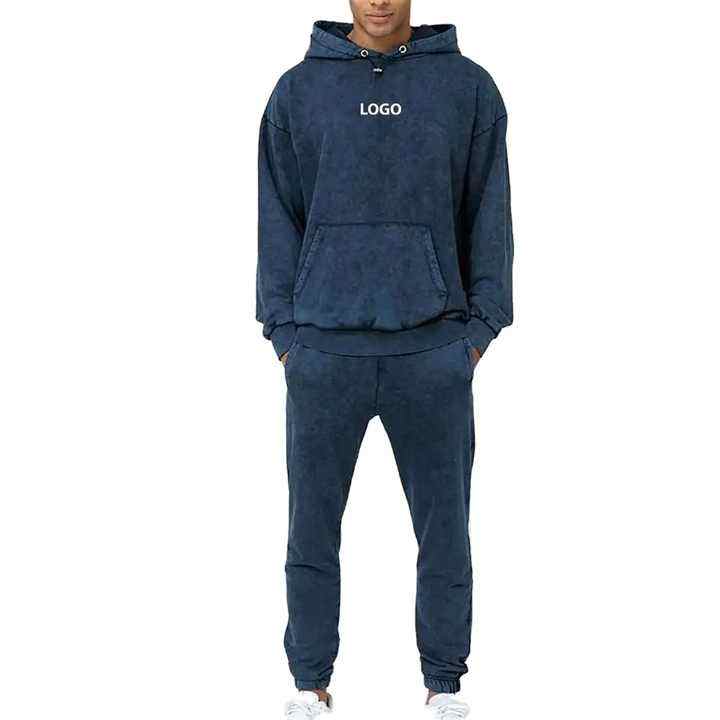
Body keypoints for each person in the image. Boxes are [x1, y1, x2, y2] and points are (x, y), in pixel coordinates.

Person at [256, 0, 513, 716]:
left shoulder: (466, 88)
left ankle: (444, 687)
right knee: (310, 531)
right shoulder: (297, 91)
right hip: (322, 352)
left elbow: (489, 214)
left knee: (444, 531)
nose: (378, 1)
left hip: (432, 352)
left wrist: (478, 330)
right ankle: (310, 685)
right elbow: (276, 217)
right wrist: (284, 332)